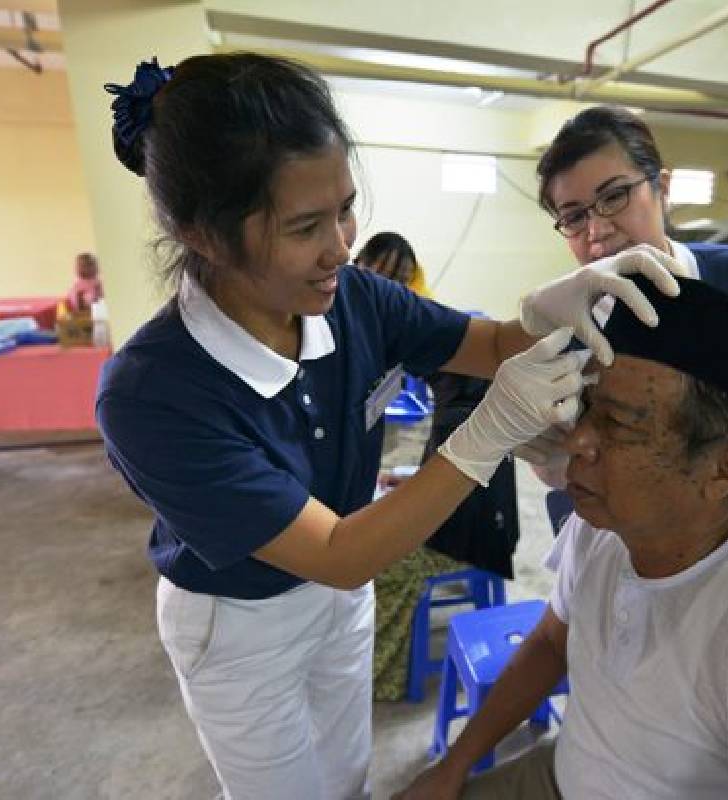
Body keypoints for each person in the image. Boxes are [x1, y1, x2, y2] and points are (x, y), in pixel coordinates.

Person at [95, 54, 681, 800]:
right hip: (240, 622)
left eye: (344, 208)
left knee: (346, 774)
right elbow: (337, 552)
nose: (341, 245)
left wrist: (542, 312)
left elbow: (490, 343)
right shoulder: (155, 393)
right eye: (306, 226)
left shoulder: (354, 299)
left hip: (341, 598)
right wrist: (488, 432)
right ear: (204, 234)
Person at [397, 274, 728, 800]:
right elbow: (549, 643)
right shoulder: (601, 521)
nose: (579, 440)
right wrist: (456, 765)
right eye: (586, 407)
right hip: (563, 776)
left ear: (724, 470)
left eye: (620, 425)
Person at [524, 106, 728, 543]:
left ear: (661, 188)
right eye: (573, 216)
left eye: (614, 196)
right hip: (614, 531)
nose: (597, 230)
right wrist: (551, 451)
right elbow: (560, 466)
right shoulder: (568, 318)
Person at [355, 233, 520, 700]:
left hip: (467, 541)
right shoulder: (464, 408)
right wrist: (408, 480)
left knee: (370, 565)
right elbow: (444, 477)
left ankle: (384, 678)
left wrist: (406, 493)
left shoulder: (462, 417)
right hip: (471, 526)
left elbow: (448, 493)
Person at [356, 230, 433, 297]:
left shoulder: (414, 306)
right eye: (388, 277)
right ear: (362, 263)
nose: (396, 288)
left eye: (402, 281)